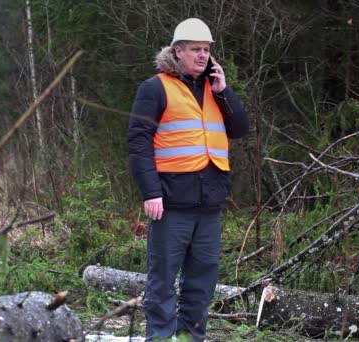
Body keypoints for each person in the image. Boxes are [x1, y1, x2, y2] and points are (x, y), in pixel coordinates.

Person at [128, 18, 249, 341]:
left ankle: (191, 338)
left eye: (206, 50)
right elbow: (139, 143)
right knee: (163, 281)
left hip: (209, 203)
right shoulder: (155, 88)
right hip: (170, 202)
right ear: (177, 51)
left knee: (202, 282)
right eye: (195, 49)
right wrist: (150, 192)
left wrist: (225, 92)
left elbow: (240, 129)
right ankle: (160, 338)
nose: (202, 56)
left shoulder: (214, 89)